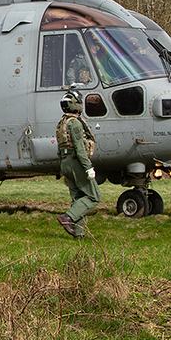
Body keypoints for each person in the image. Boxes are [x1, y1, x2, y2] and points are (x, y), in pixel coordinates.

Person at [55, 91, 100, 238]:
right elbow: (80, 148)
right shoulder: (74, 123)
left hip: (66, 163)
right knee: (94, 196)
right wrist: (88, 167)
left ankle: (79, 233)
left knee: (78, 198)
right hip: (76, 162)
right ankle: (68, 217)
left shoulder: (62, 123)